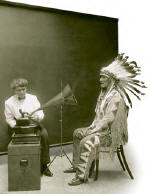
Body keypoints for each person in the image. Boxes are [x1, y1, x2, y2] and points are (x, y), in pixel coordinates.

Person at [64, 54, 146, 185]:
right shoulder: (104, 94)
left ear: (111, 80)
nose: (100, 79)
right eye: (100, 77)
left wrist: (94, 129)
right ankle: (76, 165)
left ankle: (80, 176)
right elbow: (99, 116)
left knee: (86, 140)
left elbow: (108, 118)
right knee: (77, 133)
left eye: (103, 77)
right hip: (99, 129)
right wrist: (93, 127)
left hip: (108, 135)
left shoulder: (116, 97)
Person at [4, 78, 53, 177]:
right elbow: (9, 118)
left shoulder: (33, 98)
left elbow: (40, 112)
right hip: (19, 127)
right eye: (19, 90)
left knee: (44, 135)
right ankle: (21, 166)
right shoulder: (8, 102)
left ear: (26, 88)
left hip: (34, 124)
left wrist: (38, 117)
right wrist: (16, 125)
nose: (22, 92)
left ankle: (44, 165)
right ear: (14, 91)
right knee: (15, 141)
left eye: (24, 89)